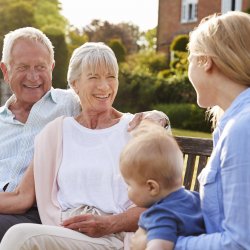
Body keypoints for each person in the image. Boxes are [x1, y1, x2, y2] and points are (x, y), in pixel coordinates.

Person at [0, 27, 169, 241]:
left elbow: (105, 105)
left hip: (37, 215)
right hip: (48, 221)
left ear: (52, 68)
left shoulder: (68, 103)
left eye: (40, 67)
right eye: (23, 67)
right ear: (5, 71)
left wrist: (158, 116)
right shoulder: (48, 127)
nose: (33, 77)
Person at [174, 11, 250, 249]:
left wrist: (167, 243)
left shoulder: (242, 129)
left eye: (189, 57)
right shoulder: (232, 124)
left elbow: (239, 242)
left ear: (205, 60)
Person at [119, 122, 205, 250]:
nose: (127, 189)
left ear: (152, 187)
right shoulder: (195, 199)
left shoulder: (160, 215)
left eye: (129, 185)